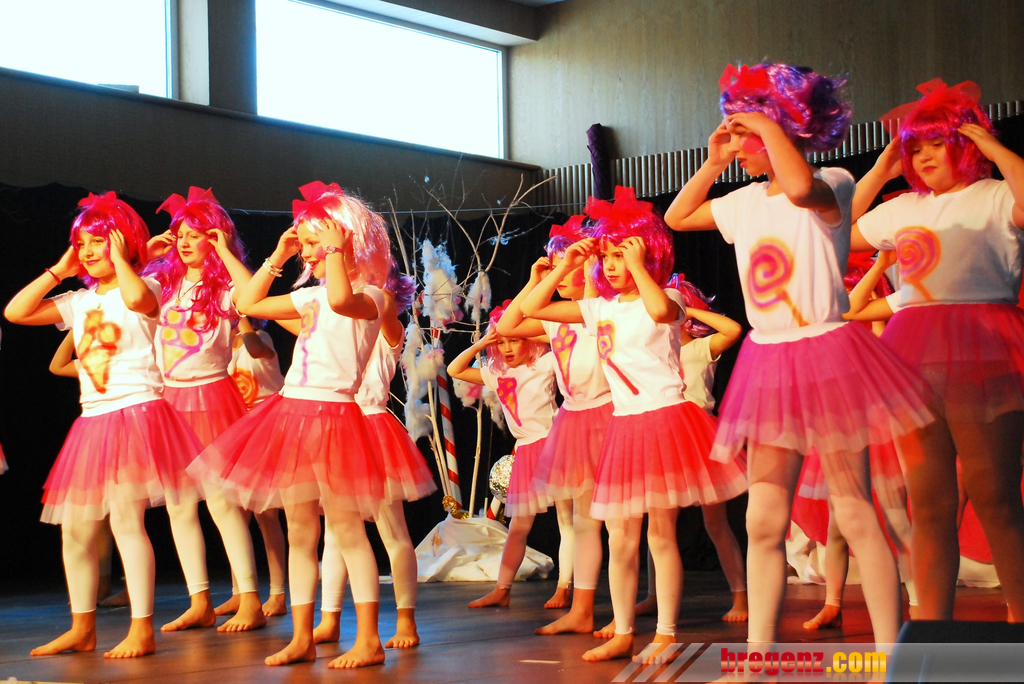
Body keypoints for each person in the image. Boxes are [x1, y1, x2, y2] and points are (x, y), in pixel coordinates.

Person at [663, 63, 936, 646]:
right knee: (763, 519)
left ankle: (890, 653)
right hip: (769, 361)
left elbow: (797, 189)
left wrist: (765, 122)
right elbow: (676, 217)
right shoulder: (742, 201)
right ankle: (759, 656)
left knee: (854, 510)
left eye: (743, 133)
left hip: (826, 353)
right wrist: (713, 161)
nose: (736, 144)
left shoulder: (833, 180)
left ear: (783, 127)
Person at [522, 186, 747, 663]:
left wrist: (641, 266)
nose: (611, 265)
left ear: (647, 253)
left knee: (660, 535)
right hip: (624, 427)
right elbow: (534, 309)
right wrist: (566, 265)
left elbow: (662, 312)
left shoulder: (667, 296)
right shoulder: (599, 308)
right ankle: (622, 631)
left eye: (620, 255)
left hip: (665, 421)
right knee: (621, 537)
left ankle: (665, 633)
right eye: (607, 256)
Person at [188, 181, 391, 668]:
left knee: (346, 530)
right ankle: (302, 636)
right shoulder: (310, 297)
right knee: (301, 532)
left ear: (345, 239)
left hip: (336, 418)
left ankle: (368, 639)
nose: (309, 251)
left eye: (315, 241)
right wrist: (277, 257)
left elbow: (342, 301)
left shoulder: (373, 297)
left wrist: (335, 251)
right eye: (305, 243)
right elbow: (249, 304)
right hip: (293, 414)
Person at [851, 79, 1024, 620]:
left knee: (995, 497)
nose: (923, 157)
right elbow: (835, 231)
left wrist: (993, 147)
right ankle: (933, 633)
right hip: (914, 349)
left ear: (966, 144)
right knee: (928, 505)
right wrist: (879, 171)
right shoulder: (905, 206)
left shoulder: (997, 195)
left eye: (936, 144)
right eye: (915, 148)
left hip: (984, 345)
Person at [4, 191, 203, 657]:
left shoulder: (149, 285)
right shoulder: (79, 301)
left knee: (126, 522)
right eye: (82, 243)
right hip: (93, 420)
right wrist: (60, 269)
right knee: (75, 529)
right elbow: (16, 312)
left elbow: (135, 298)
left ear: (121, 242)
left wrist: (123, 257)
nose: (88, 251)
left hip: (135, 413)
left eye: (98, 241)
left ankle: (142, 628)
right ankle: (83, 627)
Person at [145, 187, 266, 632]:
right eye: (180, 234)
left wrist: (225, 251)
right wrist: (143, 257)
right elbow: (127, 297)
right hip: (170, 400)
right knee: (178, 506)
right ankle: (199, 600)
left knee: (221, 503)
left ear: (214, 238)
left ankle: (250, 600)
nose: (184, 241)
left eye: (195, 234)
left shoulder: (221, 289)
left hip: (212, 397)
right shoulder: (163, 284)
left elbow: (251, 296)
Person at [315, 258, 436, 649]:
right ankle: (329, 618)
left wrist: (370, 277)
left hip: (371, 428)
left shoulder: (387, 324)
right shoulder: (339, 327)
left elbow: (379, 307)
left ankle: (406, 621)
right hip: (340, 426)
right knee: (335, 533)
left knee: (392, 531)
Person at [447, 304, 558, 609]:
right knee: (519, 526)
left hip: (553, 444)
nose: (507, 348)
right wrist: (482, 344)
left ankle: (566, 588)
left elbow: (563, 347)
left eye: (515, 340)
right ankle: (502, 589)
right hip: (526, 451)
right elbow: (454, 370)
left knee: (569, 519)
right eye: (502, 342)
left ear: (529, 339)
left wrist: (536, 330)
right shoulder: (496, 374)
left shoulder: (545, 363)